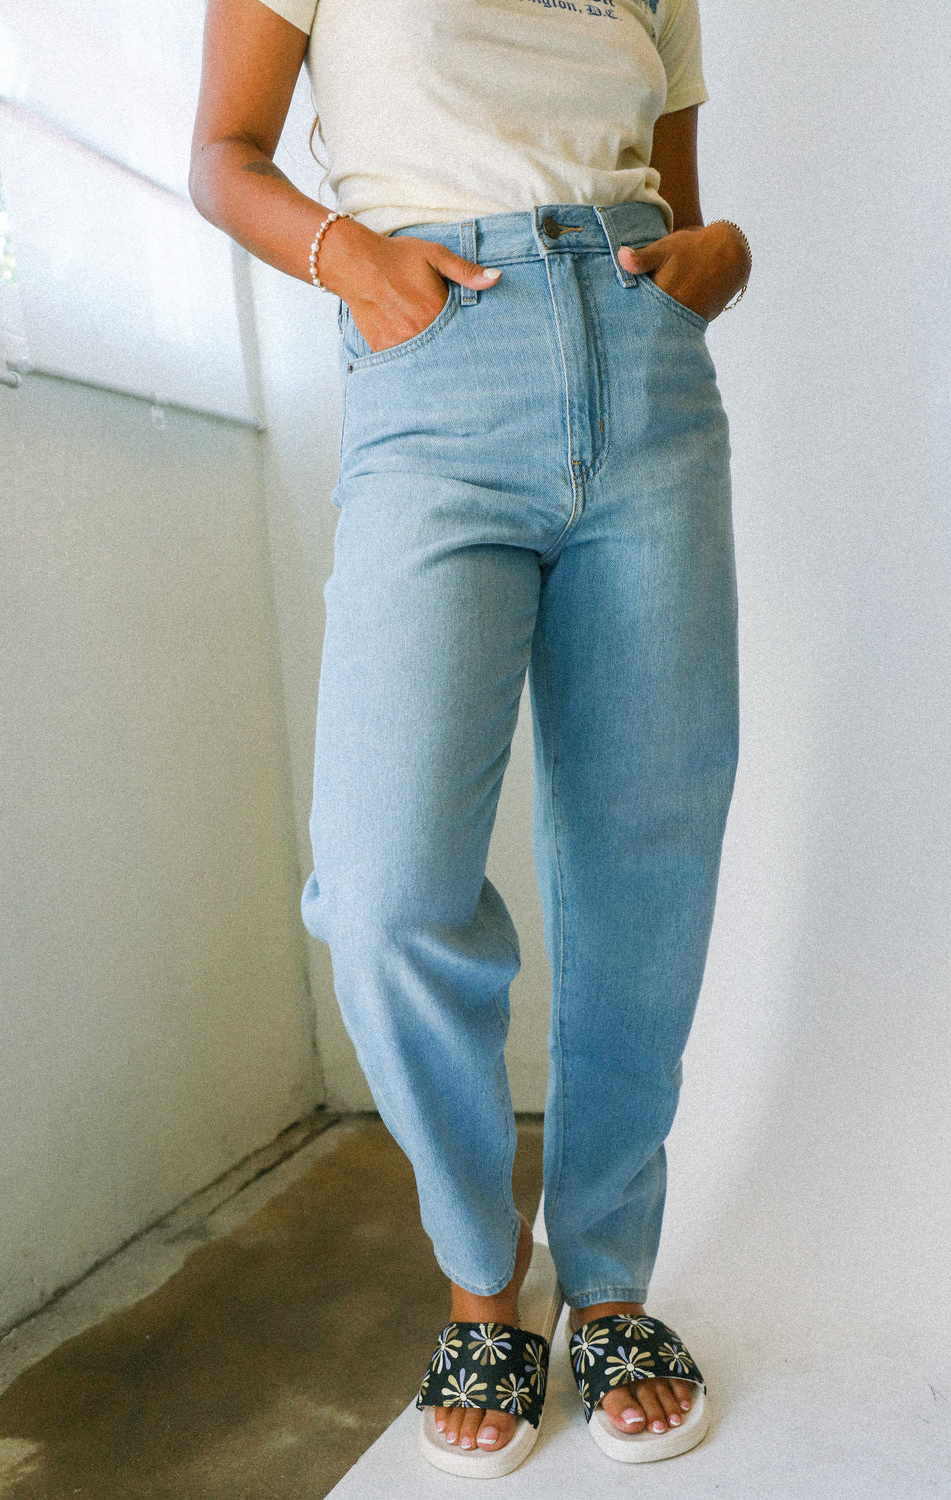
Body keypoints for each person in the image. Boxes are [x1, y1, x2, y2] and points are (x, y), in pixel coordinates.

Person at [191, 0, 749, 1476]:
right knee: (383, 888)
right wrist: (352, 258)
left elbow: (675, 197)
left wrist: (721, 258)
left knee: (646, 864)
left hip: (649, 380)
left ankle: (610, 1280)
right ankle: (484, 1279)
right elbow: (225, 155)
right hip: (435, 369)